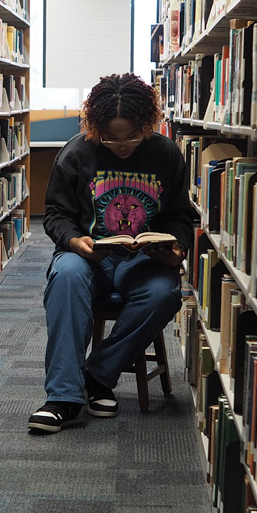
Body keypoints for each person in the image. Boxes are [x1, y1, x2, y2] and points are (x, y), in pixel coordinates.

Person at [29, 73, 197, 433]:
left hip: (143, 259)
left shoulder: (166, 155)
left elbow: (181, 214)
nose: (122, 145)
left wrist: (177, 248)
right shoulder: (76, 153)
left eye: (132, 136)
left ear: (147, 125)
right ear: (96, 127)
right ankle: (62, 399)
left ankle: (95, 377)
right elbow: (56, 215)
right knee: (66, 277)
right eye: (111, 137)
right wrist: (75, 242)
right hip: (89, 257)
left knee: (163, 293)